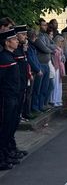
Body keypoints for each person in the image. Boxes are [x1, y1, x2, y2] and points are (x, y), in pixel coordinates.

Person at [0, 30, 24, 170]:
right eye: (13, 39)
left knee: (10, 126)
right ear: (7, 42)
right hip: (6, 98)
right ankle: (2, 157)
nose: (16, 41)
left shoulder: (10, 56)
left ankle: (7, 152)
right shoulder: (3, 58)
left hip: (14, 96)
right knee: (4, 127)